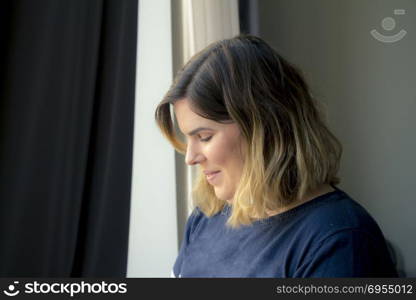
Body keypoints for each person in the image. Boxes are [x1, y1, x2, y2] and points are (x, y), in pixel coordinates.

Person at [155, 35, 398, 277]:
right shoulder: (206, 217)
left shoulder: (340, 241)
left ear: (265, 127)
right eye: (188, 138)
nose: (190, 157)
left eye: (205, 137)